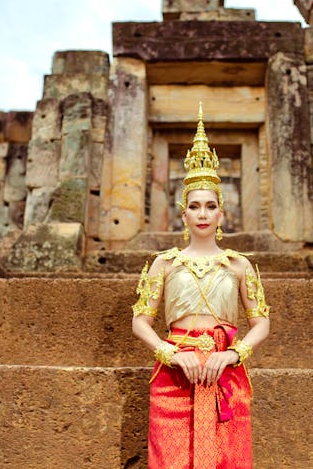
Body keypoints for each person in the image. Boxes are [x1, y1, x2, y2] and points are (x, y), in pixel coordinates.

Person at [131, 103, 271, 468]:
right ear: (184, 213)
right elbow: (140, 321)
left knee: (228, 456)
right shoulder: (164, 264)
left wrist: (232, 354)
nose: (204, 213)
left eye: (211, 206)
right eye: (195, 206)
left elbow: (262, 323)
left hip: (225, 373)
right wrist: (170, 353)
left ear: (221, 213)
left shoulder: (239, 265)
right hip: (175, 372)